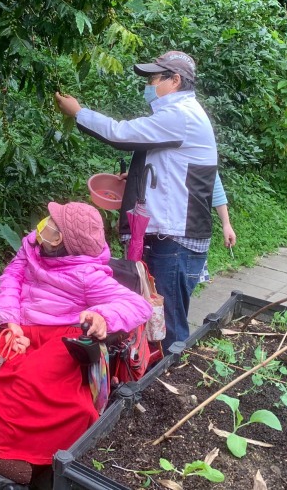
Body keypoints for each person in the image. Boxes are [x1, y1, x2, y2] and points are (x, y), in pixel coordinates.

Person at [0, 201, 152, 484]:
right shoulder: (33, 247)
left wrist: (103, 316)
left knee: (34, 379)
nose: (42, 232)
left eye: (53, 231)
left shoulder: (87, 274)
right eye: (46, 224)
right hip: (25, 326)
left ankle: (34, 453)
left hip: (62, 333)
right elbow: (11, 278)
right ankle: (0, 442)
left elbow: (138, 306)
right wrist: (11, 322)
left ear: (68, 245)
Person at [54, 50, 217, 350]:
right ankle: (158, 386)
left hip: (174, 242)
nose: (149, 84)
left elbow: (121, 133)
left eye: (154, 78)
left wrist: (78, 112)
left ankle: (171, 388)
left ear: (175, 80)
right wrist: (137, 179)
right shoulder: (180, 116)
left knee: (168, 329)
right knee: (156, 321)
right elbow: (173, 169)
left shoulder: (180, 115)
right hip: (171, 238)